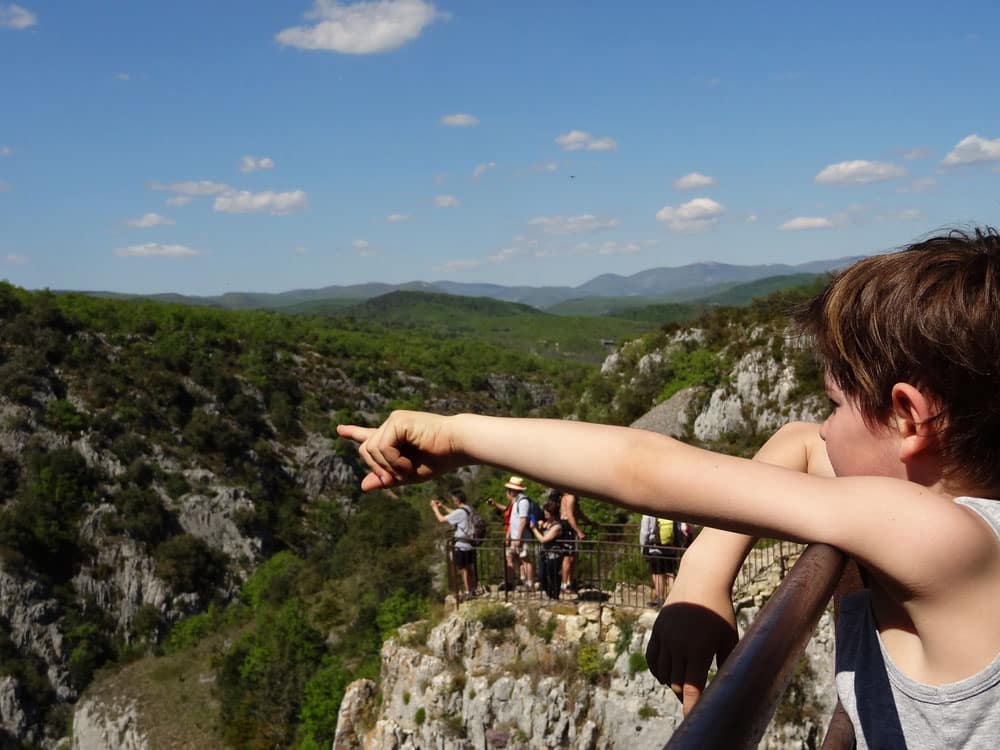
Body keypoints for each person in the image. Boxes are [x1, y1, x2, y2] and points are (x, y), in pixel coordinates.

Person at [339, 228, 1000, 749]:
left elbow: (642, 467)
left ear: (908, 417)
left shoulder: (944, 540)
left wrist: (456, 434)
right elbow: (799, 443)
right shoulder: (951, 509)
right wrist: (706, 563)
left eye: (834, 401)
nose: (824, 425)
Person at [430, 490, 478, 599]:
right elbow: (456, 513)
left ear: (457, 500)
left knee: (463, 569)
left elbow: (441, 519)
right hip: (470, 543)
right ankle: (473, 589)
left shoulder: (460, 512)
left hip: (462, 544)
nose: (453, 502)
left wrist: (435, 509)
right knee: (469, 568)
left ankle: (468, 591)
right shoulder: (469, 508)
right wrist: (443, 506)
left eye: (454, 500)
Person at [552, 488, 592, 595]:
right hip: (567, 527)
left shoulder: (571, 498)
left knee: (573, 556)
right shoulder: (571, 497)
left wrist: (588, 522)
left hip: (569, 527)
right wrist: (579, 531)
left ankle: (569, 581)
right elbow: (570, 516)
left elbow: (578, 513)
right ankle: (565, 584)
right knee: (568, 557)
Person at [640, 514, 683, 608]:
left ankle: (660, 599)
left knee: (658, 574)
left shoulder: (648, 513)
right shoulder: (670, 511)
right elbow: (679, 529)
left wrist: (643, 548)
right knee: (671, 573)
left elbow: (644, 533)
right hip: (671, 549)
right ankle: (674, 599)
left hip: (655, 549)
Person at [530, 499, 570, 599]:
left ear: (552, 513)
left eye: (546, 512)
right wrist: (538, 526)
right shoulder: (546, 523)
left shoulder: (557, 526)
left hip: (554, 555)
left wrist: (534, 529)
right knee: (542, 576)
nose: (544, 514)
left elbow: (544, 540)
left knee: (553, 576)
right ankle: (550, 594)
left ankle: (555, 596)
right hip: (544, 554)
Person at [502, 476, 535, 590]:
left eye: (510, 490)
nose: (509, 492)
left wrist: (518, 538)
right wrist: (509, 536)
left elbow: (523, 520)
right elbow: (513, 521)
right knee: (521, 559)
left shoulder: (523, 501)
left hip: (522, 537)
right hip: (516, 537)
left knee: (525, 559)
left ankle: (530, 584)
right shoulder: (516, 501)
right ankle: (526, 582)